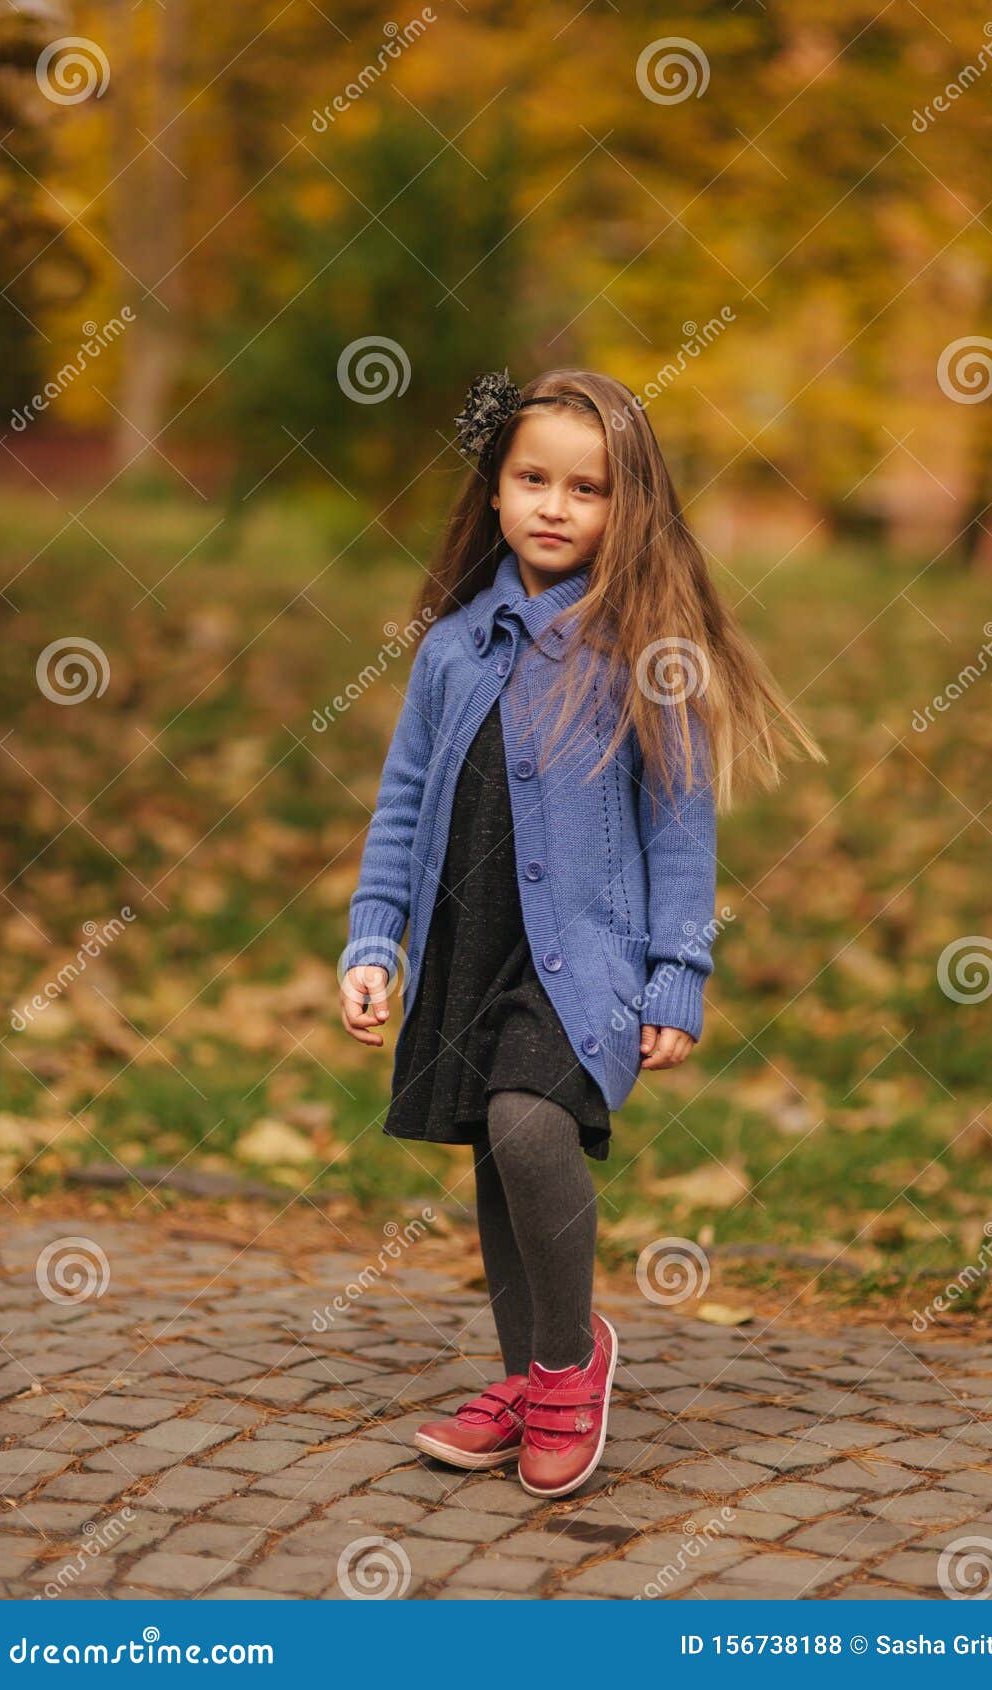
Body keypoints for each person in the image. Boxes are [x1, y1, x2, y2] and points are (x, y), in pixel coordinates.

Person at [338, 368, 824, 1498]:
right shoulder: (451, 647)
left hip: (585, 963)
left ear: (629, 508)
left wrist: (675, 973)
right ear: (496, 492)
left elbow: (681, 829)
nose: (555, 505)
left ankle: (569, 1363)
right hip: (466, 949)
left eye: (587, 488)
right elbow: (401, 799)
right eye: (532, 479)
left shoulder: (642, 653)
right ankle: (527, 1374)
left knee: (527, 1123)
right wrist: (375, 940)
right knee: (495, 1160)